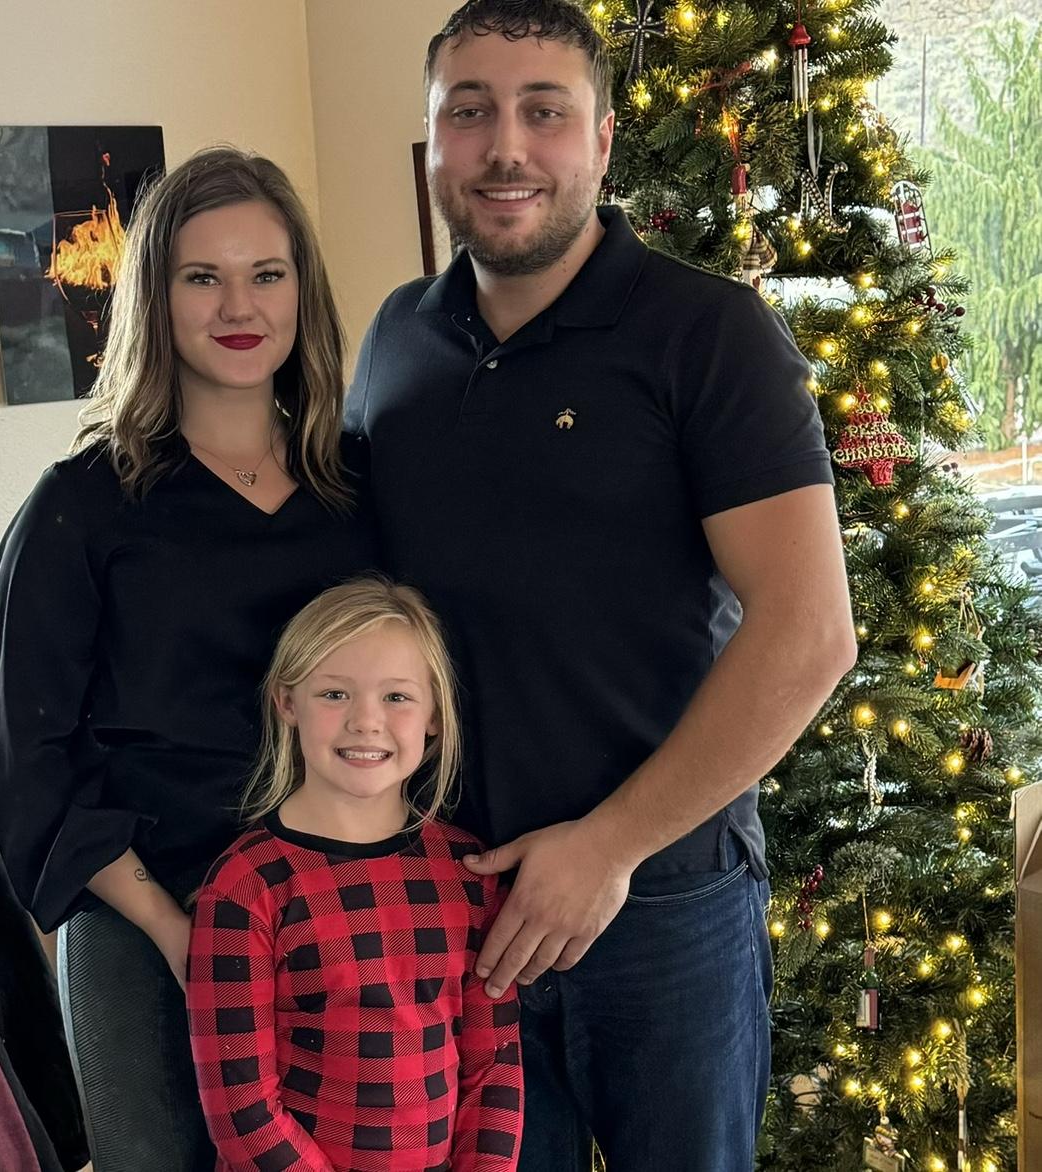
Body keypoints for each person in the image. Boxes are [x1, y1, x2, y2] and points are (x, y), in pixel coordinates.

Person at [344, 1, 858, 1169]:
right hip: (452, 901)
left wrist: (606, 847)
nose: (504, 148)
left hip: (660, 898)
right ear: (431, 137)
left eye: (543, 112)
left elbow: (809, 630)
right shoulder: (392, 339)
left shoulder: (708, 333)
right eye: (467, 113)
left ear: (603, 139)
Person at [0, 147, 378, 1171]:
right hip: (153, 933)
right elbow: (27, 766)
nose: (238, 305)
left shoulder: (360, 492)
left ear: (302, 291)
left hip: (345, 920)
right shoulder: (81, 510)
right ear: (155, 300)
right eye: (203, 277)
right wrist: (175, 929)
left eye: (266, 274)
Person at [186, 577, 523, 1172]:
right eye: (335, 694)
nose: (366, 721)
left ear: (435, 715)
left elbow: (494, 1070)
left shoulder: (468, 873)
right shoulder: (245, 887)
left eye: (396, 697)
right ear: (287, 703)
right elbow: (242, 1113)